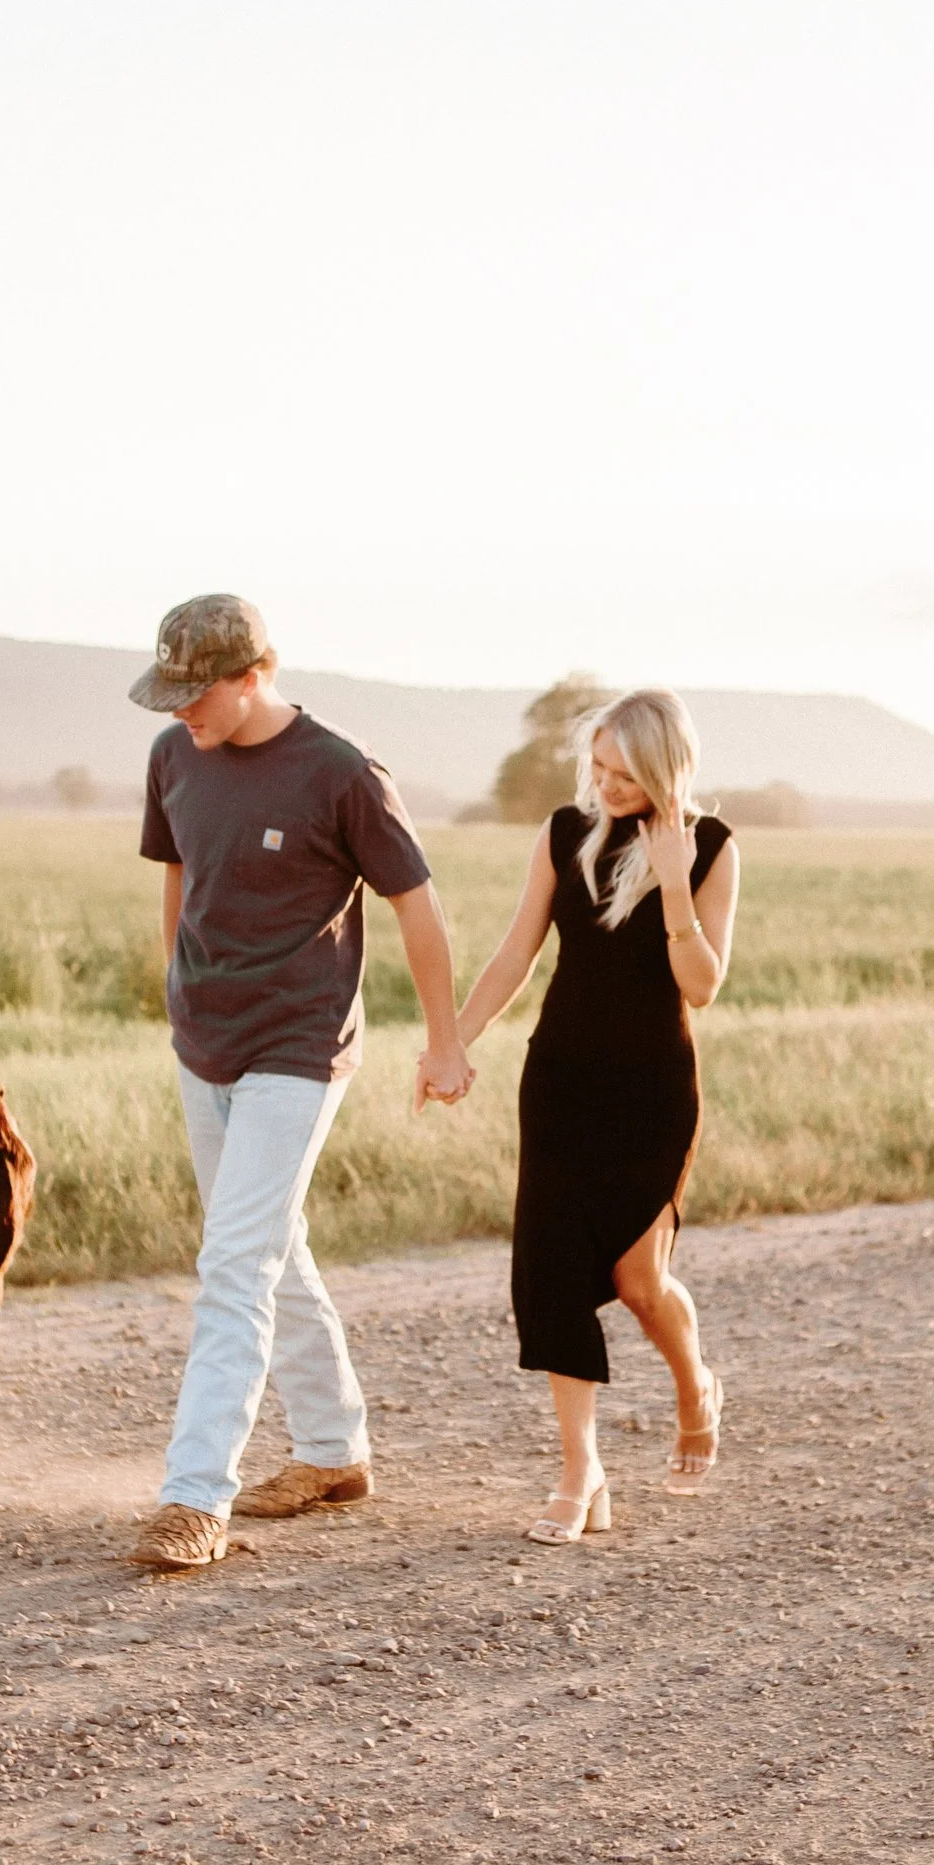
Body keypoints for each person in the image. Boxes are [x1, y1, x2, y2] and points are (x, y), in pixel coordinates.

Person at [122, 595, 472, 1572]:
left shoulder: (341, 773)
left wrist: (444, 1043)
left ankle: (196, 1497)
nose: (180, 710)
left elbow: (417, 906)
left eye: (197, 693)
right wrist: (177, 990)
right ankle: (333, 1450)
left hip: (299, 1045)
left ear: (254, 675)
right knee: (270, 1245)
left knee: (234, 1262)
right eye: (170, 694)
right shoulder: (172, 757)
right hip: (205, 1041)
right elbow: (177, 877)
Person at [452, 689, 740, 1545]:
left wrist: (675, 881)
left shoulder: (713, 847)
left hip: (653, 1094)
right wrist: (452, 1041)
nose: (606, 785)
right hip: (560, 1083)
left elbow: (702, 985)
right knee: (552, 1275)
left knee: (639, 1281)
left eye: (625, 773)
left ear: (666, 770)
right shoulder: (563, 833)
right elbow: (517, 950)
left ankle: (695, 1384)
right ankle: (583, 1470)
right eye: (599, 766)